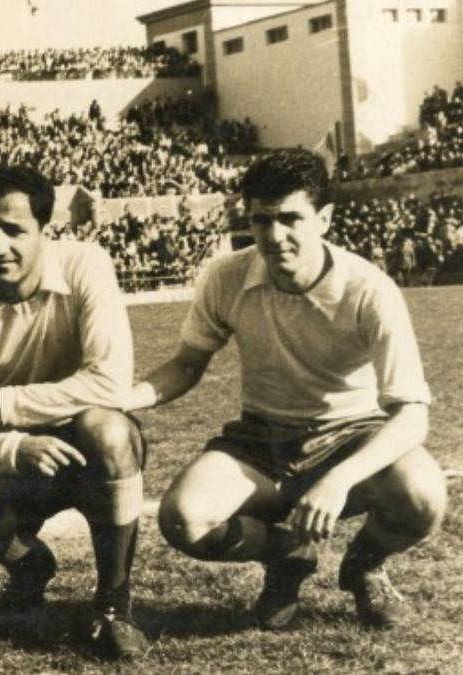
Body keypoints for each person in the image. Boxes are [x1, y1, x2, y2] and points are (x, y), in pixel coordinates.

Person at [128, 149, 447, 630]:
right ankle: (286, 555)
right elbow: (188, 363)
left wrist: (338, 480)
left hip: (350, 437)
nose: (275, 237)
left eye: (290, 219)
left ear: (324, 218)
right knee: (183, 519)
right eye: (261, 220)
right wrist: (120, 399)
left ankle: (366, 565)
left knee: (423, 495)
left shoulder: (369, 289)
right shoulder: (226, 275)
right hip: (262, 442)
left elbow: (412, 415)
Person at [0, 165, 148, 660]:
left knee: (106, 428)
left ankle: (113, 603)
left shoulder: (86, 264)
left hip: (85, 452)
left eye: (15, 230)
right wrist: (15, 446)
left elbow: (111, 382)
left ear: (45, 230)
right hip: (17, 468)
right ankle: (27, 563)